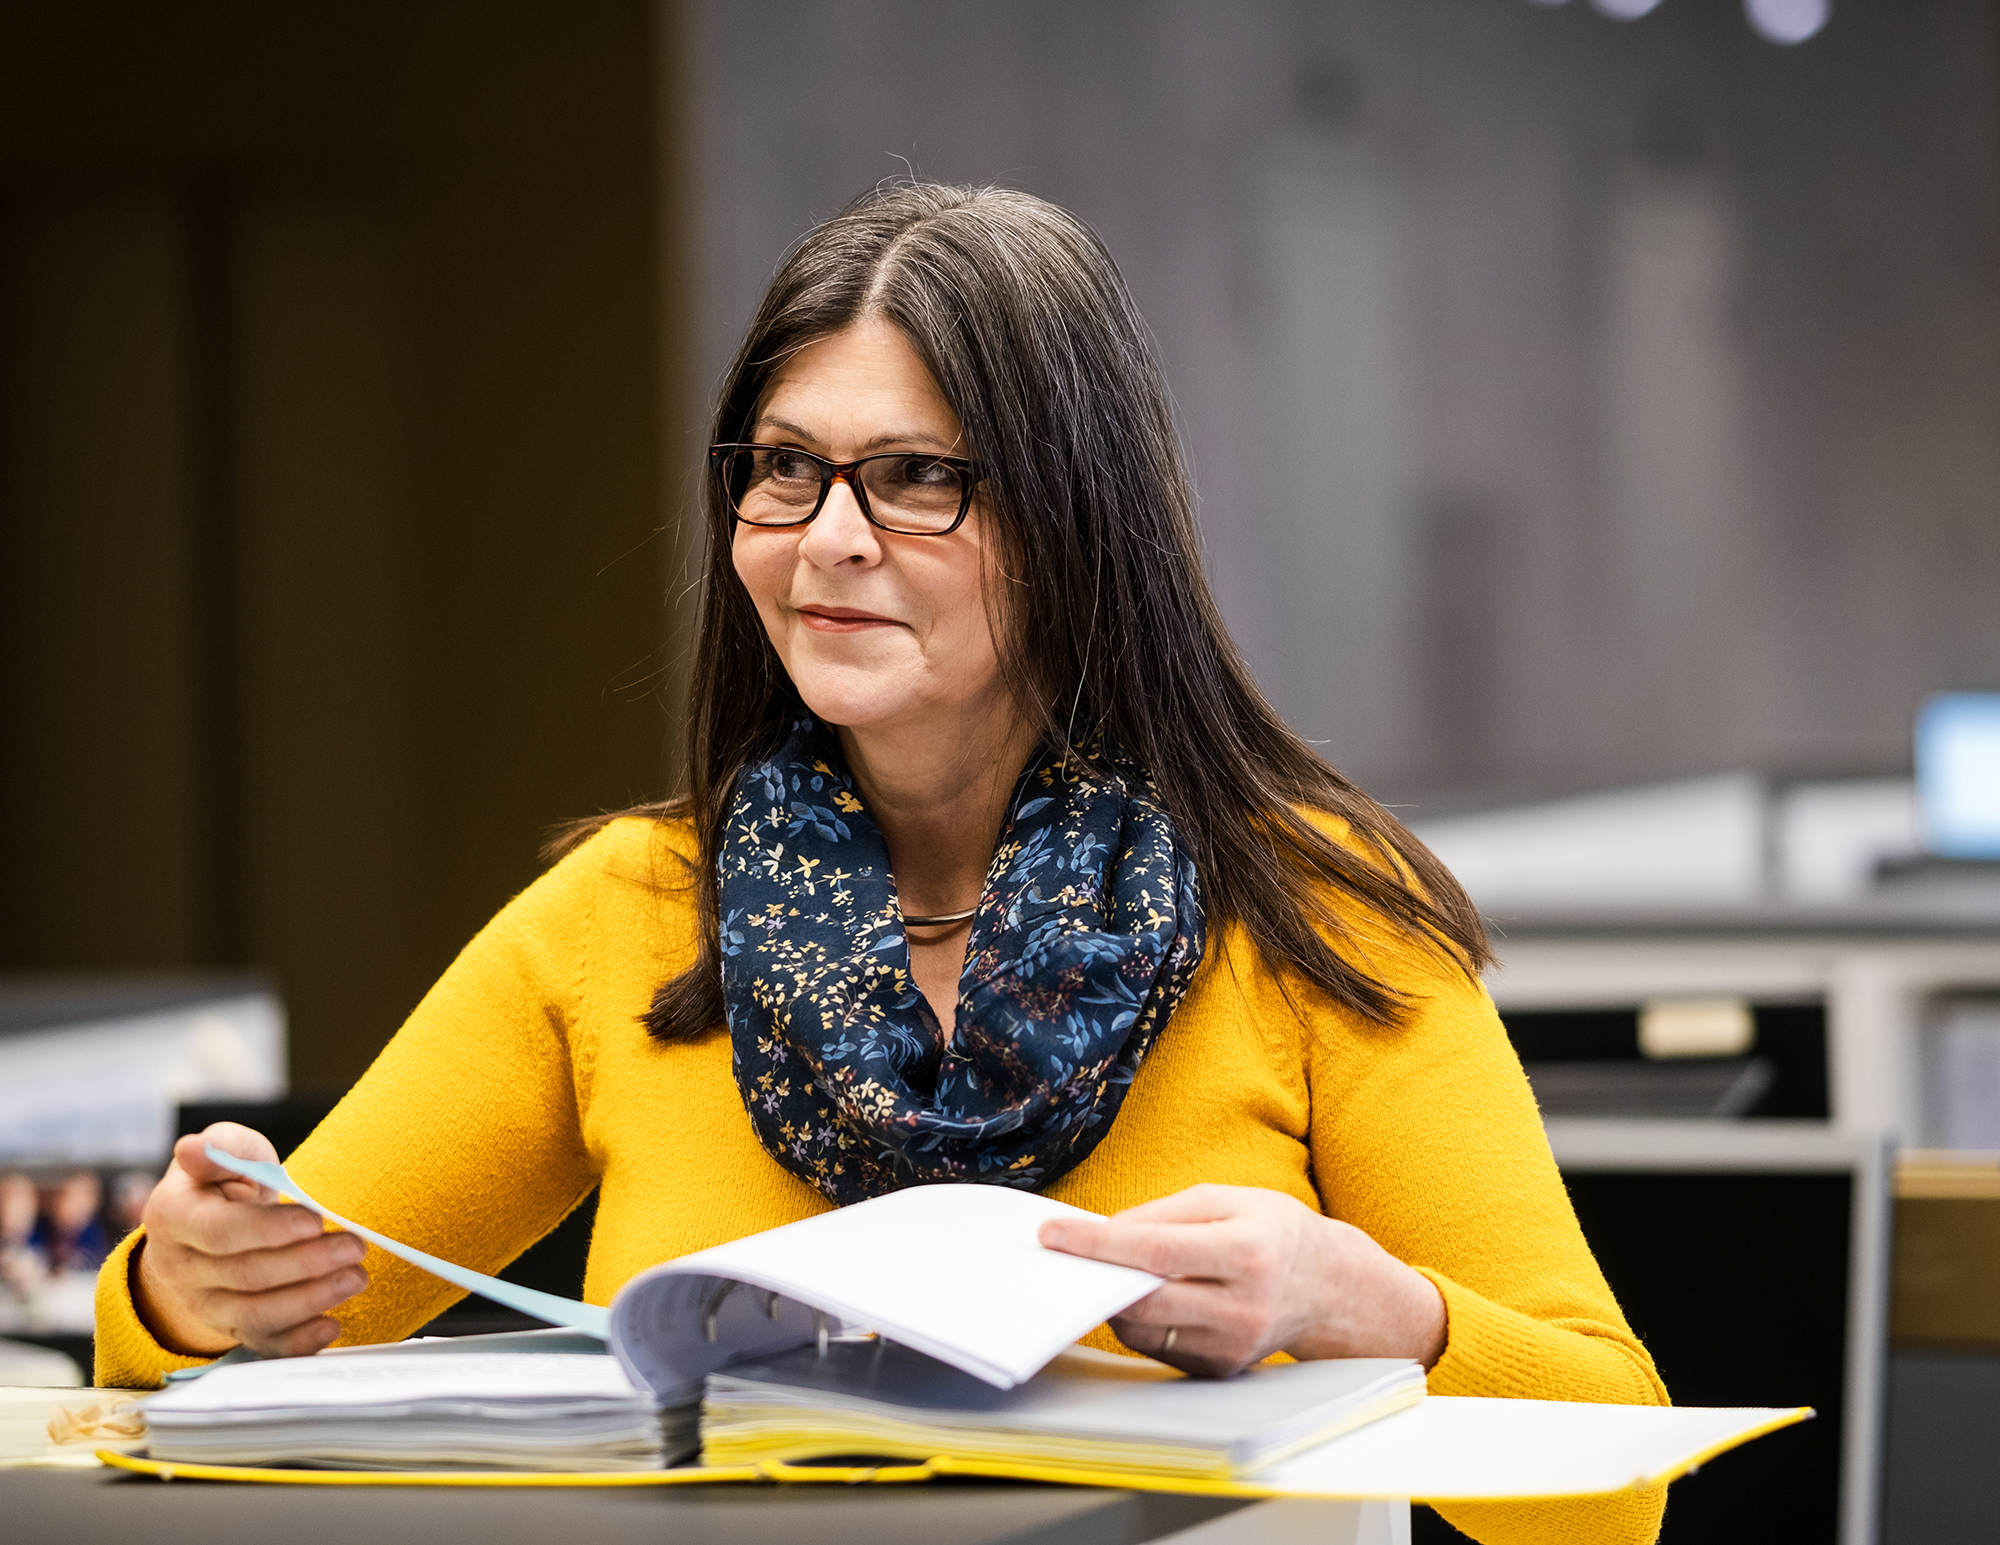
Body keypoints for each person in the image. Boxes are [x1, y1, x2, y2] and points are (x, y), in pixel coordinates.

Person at [96, 183, 1667, 1544]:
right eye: (786, 468)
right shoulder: (625, 916)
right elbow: (205, 1353)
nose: (830, 534)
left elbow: (1613, 1479)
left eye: (918, 477)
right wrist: (186, 1284)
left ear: (1075, 514)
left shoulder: (1314, 908)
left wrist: (1364, 1309)